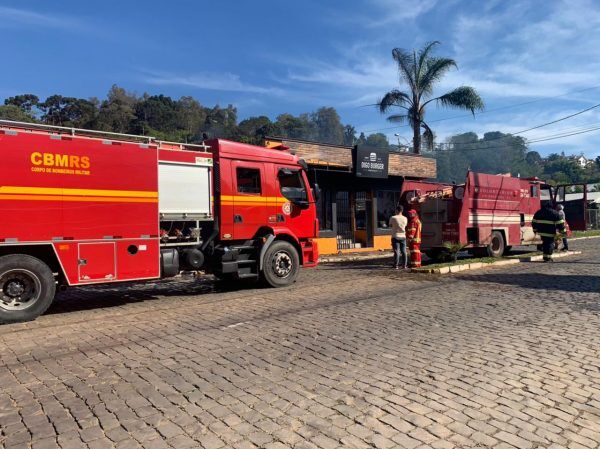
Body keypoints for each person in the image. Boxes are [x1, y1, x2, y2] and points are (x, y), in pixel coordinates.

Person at [388, 205, 408, 269]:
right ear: (402, 211)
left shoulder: (393, 217)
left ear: (397, 210)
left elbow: (390, 225)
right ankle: (404, 265)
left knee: (396, 251)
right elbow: (405, 226)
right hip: (403, 236)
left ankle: (396, 265)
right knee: (404, 251)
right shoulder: (405, 218)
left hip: (395, 236)